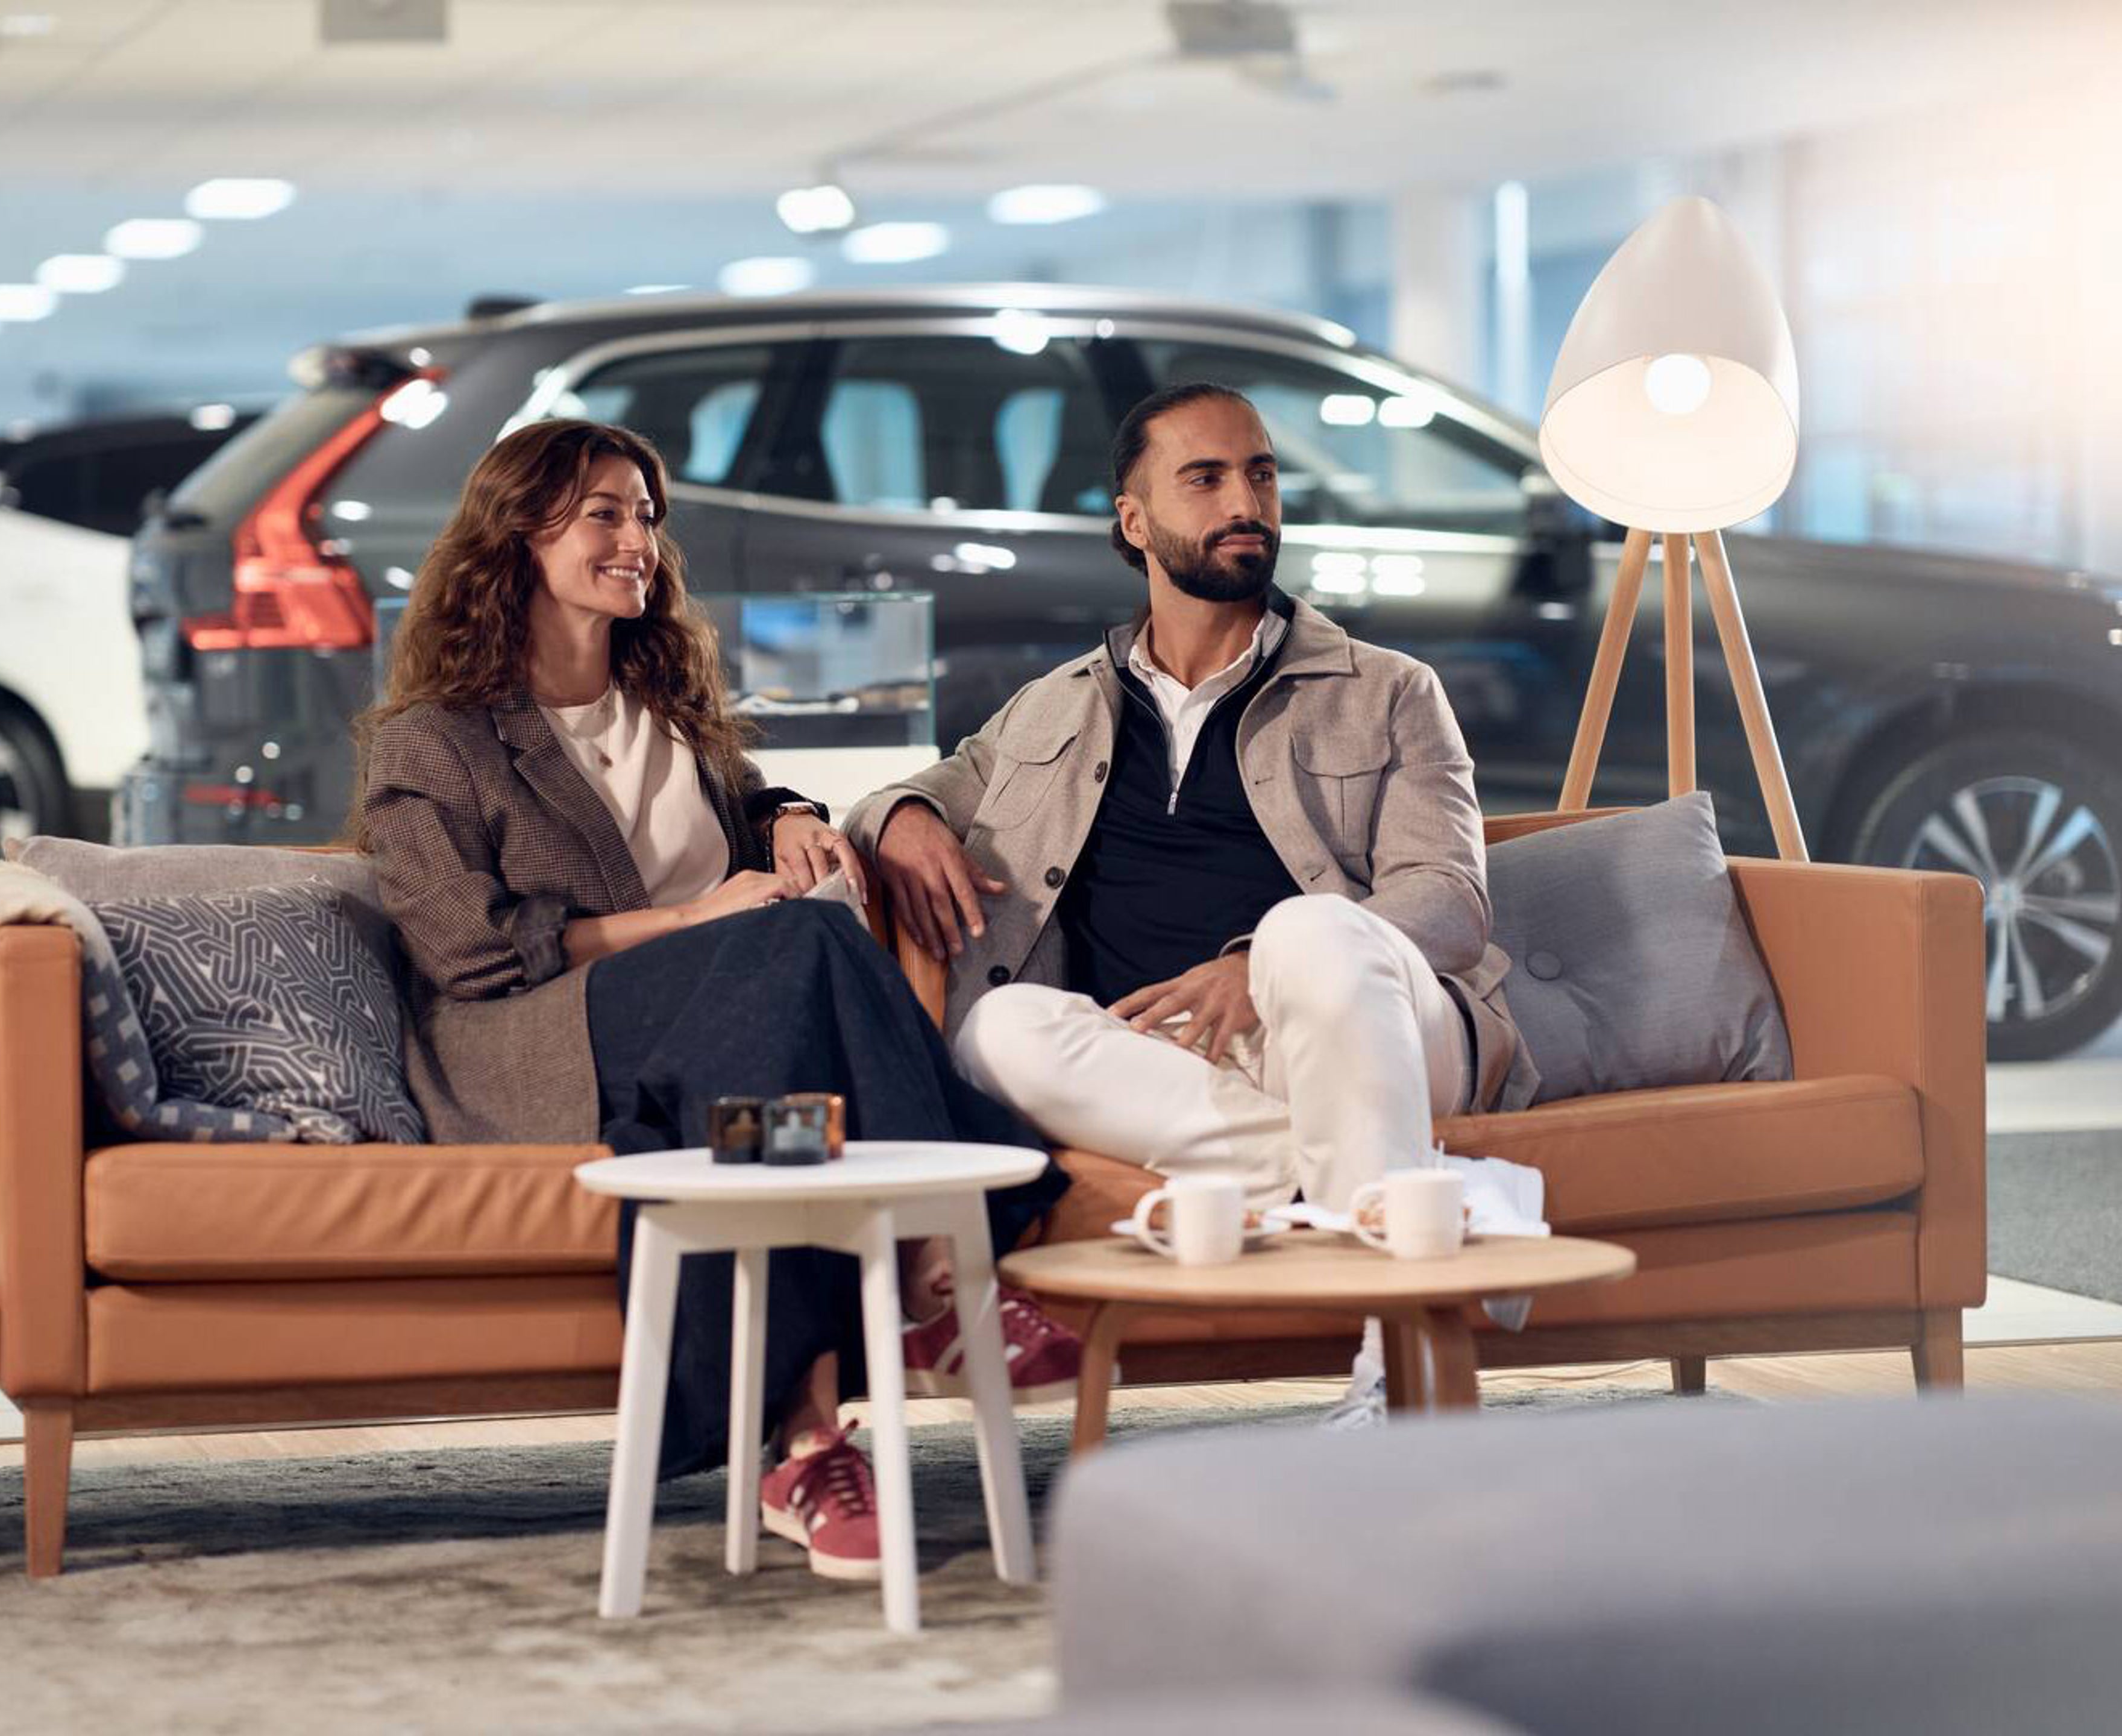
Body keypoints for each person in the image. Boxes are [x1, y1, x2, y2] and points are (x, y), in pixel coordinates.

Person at [354, 418, 1073, 1578]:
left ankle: (808, 1445)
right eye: (603, 514)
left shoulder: (666, 705)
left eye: (647, 516)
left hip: (722, 1031)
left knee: (777, 1071)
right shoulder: (434, 745)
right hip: (540, 1038)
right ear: (516, 535)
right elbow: (472, 957)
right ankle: (941, 1270)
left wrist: (788, 819)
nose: (637, 540)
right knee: (790, 951)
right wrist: (695, 924)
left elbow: (743, 809)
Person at [844, 383, 1544, 1426]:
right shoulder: (1053, 707)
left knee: (1310, 932)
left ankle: (1394, 1368)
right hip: (1164, 1063)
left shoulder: (1388, 689)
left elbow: (1448, 903)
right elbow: (914, 793)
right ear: (1135, 522)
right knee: (997, 1029)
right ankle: (1423, 1191)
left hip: (1366, 1025)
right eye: (1206, 480)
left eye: (1260, 475)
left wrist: (1257, 964)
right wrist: (900, 817)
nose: (1245, 504)